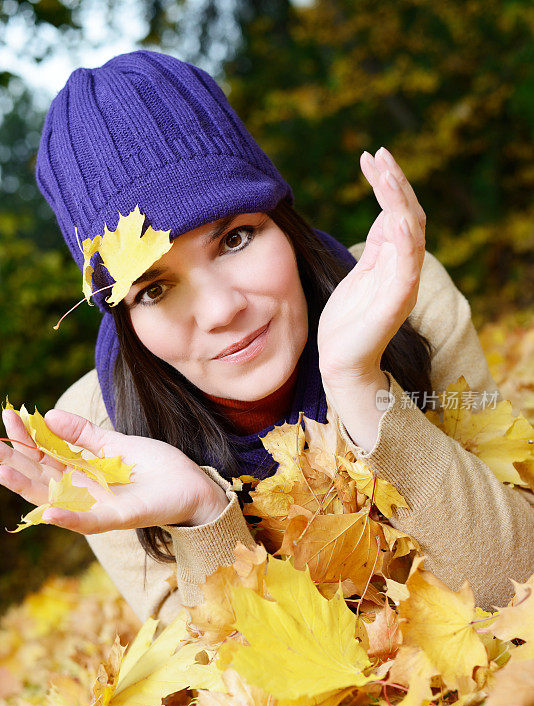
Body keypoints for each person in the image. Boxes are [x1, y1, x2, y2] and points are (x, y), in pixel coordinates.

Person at [0, 51, 532, 627]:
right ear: (121, 314)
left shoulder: (404, 298)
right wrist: (202, 515)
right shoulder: (99, 433)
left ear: (281, 221)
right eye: (153, 289)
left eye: (234, 238)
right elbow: (239, 704)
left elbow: (517, 577)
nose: (223, 310)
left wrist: (360, 387)